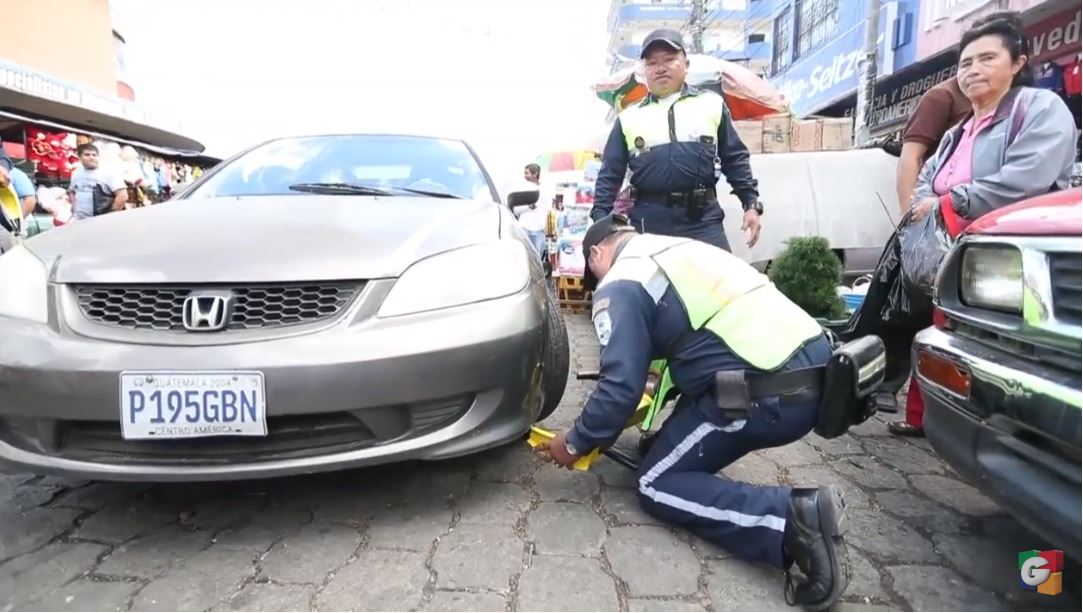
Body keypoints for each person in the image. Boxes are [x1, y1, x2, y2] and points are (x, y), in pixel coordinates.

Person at [538, 213, 850, 610]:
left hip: (768, 395)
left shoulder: (620, 281)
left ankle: (792, 519)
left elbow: (618, 388)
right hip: (814, 367)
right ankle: (680, 454)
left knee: (655, 483)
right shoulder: (680, 248)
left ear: (597, 252)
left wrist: (577, 441)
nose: (596, 283)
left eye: (592, 272)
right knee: (663, 446)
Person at [886, 11, 1077, 436]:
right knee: (939, 333)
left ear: (1018, 62)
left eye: (987, 59)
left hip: (1007, 261)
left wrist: (951, 201)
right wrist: (928, 206)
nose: (973, 70)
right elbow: (925, 180)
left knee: (1001, 351)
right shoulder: (959, 130)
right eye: (965, 63)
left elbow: (1026, 179)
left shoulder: (1040, 108)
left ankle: (1007, 437)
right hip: (955, 254)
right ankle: (930, 420)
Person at [590, 28, 763, 251]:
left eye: (669, 59)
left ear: (686, 64)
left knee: (720, 284)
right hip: (649, 224)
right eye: (652, 63)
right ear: (644, 71)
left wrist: (751, 204)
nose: (661, 68)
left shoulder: (712, 104)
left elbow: (735, 159)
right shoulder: (627, 119)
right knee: (647, 286)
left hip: (704, 222)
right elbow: (609, 175)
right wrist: (600, 222)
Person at [68, 143, 128, 220]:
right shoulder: (76, 173)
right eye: (87, 155)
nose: (91, 158)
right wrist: (74, 207)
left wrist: (110, 215)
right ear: (79, 157)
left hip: (99, 221)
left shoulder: (108, 173)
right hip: (79, 220)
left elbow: (123, 196)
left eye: (94, 155)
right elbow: (72, 191)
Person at [514, 163, 550, 260]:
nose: (524, 175)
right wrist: (528, 207)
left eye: (527, 173)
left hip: (539, 229)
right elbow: (516, 210)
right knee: (523, 259)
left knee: (537, 260)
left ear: (535, 174)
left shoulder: (544, 190)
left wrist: (546, 229)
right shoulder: (521, 189)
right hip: (524, 227)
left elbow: (547, 210)